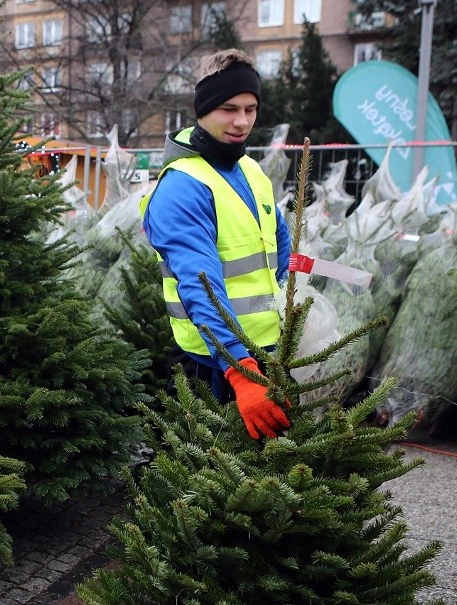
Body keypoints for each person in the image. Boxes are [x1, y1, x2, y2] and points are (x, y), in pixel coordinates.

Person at [140, 48, 291, 440]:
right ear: (203, 109)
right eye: (228, 108)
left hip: (265, 354)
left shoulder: (251, 170)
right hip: (211, 366)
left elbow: (278, 243)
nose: (242, 122)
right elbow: (200, 285)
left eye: (250, 108)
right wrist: (241, 371)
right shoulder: (183, 186)